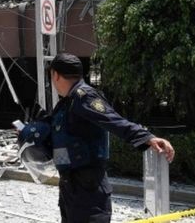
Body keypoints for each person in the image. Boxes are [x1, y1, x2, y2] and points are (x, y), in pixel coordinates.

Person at [18, 53, 175, 223]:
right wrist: (28, 131)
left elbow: (113, 120)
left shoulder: (84, 96)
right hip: (71, 187)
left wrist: (147, 137)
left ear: (55, 75)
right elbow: (57, 132)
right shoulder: (66, 103)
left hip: (88, 188)